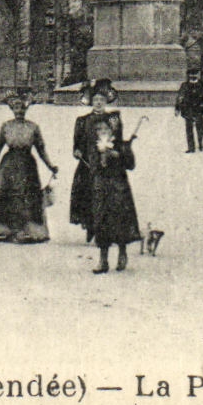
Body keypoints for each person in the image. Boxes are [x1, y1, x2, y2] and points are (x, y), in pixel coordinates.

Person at [0, 92, 58, 243]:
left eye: (22, 109)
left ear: (26, 110)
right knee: (8, 196)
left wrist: (50, 165)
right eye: (16, 109)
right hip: (9, 164)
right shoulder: (6, 126)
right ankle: (8, 230)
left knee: (28, 197)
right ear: (12, 110)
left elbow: (41, 148)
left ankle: (28, 230)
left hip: (27, 164)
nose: (19, 112)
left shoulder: (33, 127)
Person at [70, 80, 124, 242]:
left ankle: (106, 228)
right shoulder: (82, 120)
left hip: (106, 163)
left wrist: (113, 153)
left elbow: (118, 141)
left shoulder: (112, 120)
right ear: (91, 102)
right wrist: (77, 151)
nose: (99, 103)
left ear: (106, 102)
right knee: (87, 194)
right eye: (96, 101)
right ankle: (90, 226)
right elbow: (77, 142)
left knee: (107, 195)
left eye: (101, 100)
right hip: (87, 163)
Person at [86, 118, 141, 272]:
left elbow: (131, 165)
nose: (102, 132)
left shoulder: (121, 145)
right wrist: (101, 159)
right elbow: (92, 167)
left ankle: (122, 253)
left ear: (112, 130)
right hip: (101, 188)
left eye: (106, 129)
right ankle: (103, 259)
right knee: (101, 221)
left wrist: (120, 155)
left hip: (118, 187)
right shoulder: (93, 147)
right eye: (99, 129)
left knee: (120, 219)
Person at [175, 72, 203, 153]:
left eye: (195, 75)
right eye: (191, 75)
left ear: (198, 75)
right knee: (189, 129)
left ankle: (200, 142)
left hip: (199, 109)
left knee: (200, 129)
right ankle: (191, 147)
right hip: (188, 109)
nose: (193, 77)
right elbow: (180, 97)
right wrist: (177, 108)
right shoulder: (184, 85)